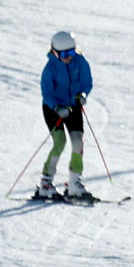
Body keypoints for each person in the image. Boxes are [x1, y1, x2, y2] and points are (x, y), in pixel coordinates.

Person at [36, 30, 93, 198]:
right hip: (53, 109)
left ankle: (75, 183)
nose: (69, 57)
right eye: (65, 54)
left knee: (77, 142)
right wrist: (56, 107)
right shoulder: (50, 68)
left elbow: (87, 82)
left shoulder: (80, 62)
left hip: (73, 107)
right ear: (55, 52)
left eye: (72, 52)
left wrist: (83, 94)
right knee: (59, 142)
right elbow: (46, 93)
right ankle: (45, 184)